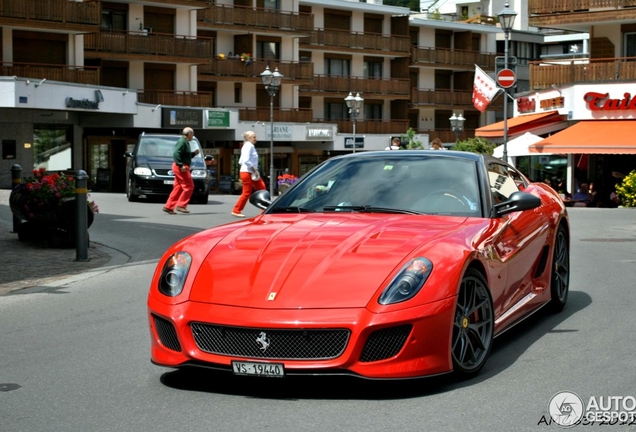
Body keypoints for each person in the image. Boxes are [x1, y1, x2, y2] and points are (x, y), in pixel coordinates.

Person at [163, 127, 200, 215]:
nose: (193, 136)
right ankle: (181, 205)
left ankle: (169, 206)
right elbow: (176, 153)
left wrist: (194, 154)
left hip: (179, 165)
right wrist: (180, 165)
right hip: (181, 166)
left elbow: (184, 155)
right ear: (190, 134)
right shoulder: (182, 141)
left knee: (178, 187)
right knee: (189, 186)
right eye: (192, 134)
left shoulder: (184, 142)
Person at [232, 130, 266, 218]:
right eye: (254, 137)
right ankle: (236, 210)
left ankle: (265, 209)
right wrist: (254, 169)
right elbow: (246, 160)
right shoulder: (249, 146)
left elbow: (241, 161)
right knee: (248, 191)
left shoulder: (247, 146)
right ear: (249, 138)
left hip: (247, 171)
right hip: (248, 172)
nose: (256, 139)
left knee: (261, 188)